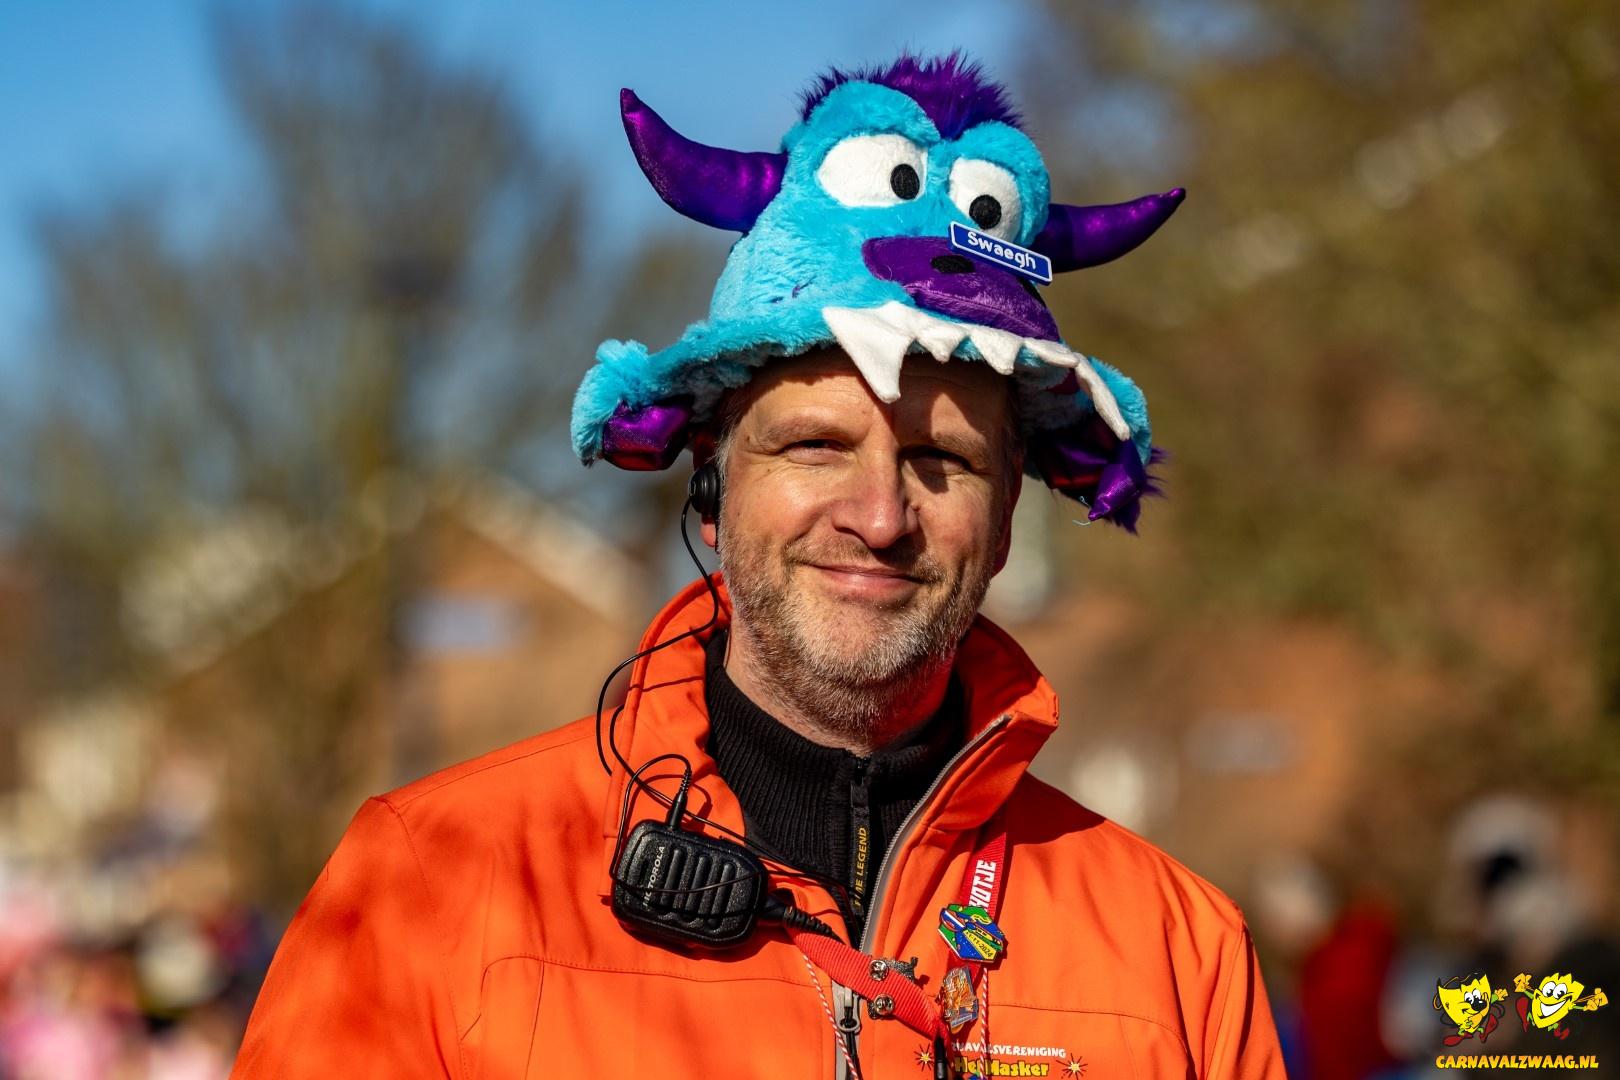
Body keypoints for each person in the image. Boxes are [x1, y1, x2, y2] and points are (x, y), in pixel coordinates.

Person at [231, 53, 1285, 1078]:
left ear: (1008, 516)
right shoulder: (432, 882)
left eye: (942, 462)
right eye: (815, 446)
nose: (880, 517)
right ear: (713, 482)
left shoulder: (1179, 954)